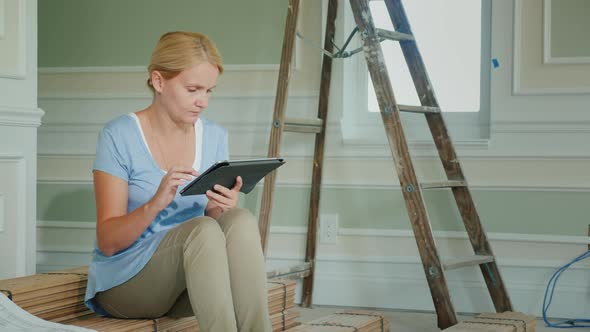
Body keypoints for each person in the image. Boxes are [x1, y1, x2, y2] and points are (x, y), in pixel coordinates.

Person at [84, 31, 273, 332]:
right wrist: (158, 201)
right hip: (126, 283)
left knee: (239, 218)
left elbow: (212, 226)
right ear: (159, 82)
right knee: (200, 229)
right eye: (193, 89)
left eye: (210, 91)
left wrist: (219, 208)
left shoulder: (214, 136)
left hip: (187, 282)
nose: (203, 102)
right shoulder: (118, 135)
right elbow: (108, 243)